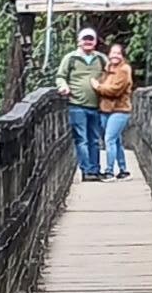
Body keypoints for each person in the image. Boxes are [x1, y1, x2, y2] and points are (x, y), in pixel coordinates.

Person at [55, 26, 106, 179]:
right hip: (76, 105)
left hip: (97, 106)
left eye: (91, 39)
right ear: (79, 41)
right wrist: (63, 86)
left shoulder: (102, 58)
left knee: (95, 140)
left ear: (96, 42)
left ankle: (95, 170)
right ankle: (87, 171)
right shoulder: (70, 58)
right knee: (82, 139)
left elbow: (112, 75)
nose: (88, 42)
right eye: (85, 39)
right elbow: (60, 76)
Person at [96, 30, 136, 178]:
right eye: (112, 53)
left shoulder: (125, 70)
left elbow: (115, 90)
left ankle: (109, 171)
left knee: (109, 139)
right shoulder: (107, 69)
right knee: (115, 140)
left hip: (120, 110)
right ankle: (124, 170)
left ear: (122, 56)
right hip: (105, 110)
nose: (114, 56)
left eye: (118, 53)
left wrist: (97, 87)